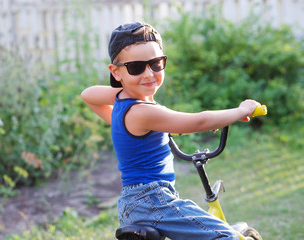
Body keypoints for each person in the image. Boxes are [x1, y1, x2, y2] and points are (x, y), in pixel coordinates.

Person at [81, 22, 259, 240]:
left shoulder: (125, 104)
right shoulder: (142, 112)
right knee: (225, 237)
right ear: (116, 72)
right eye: (136, 68)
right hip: (153, 201)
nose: (148, 74)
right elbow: (201, 121)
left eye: (155, 64)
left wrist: (128, 114)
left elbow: (87, 94)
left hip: (135, 205)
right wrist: (241, 110)